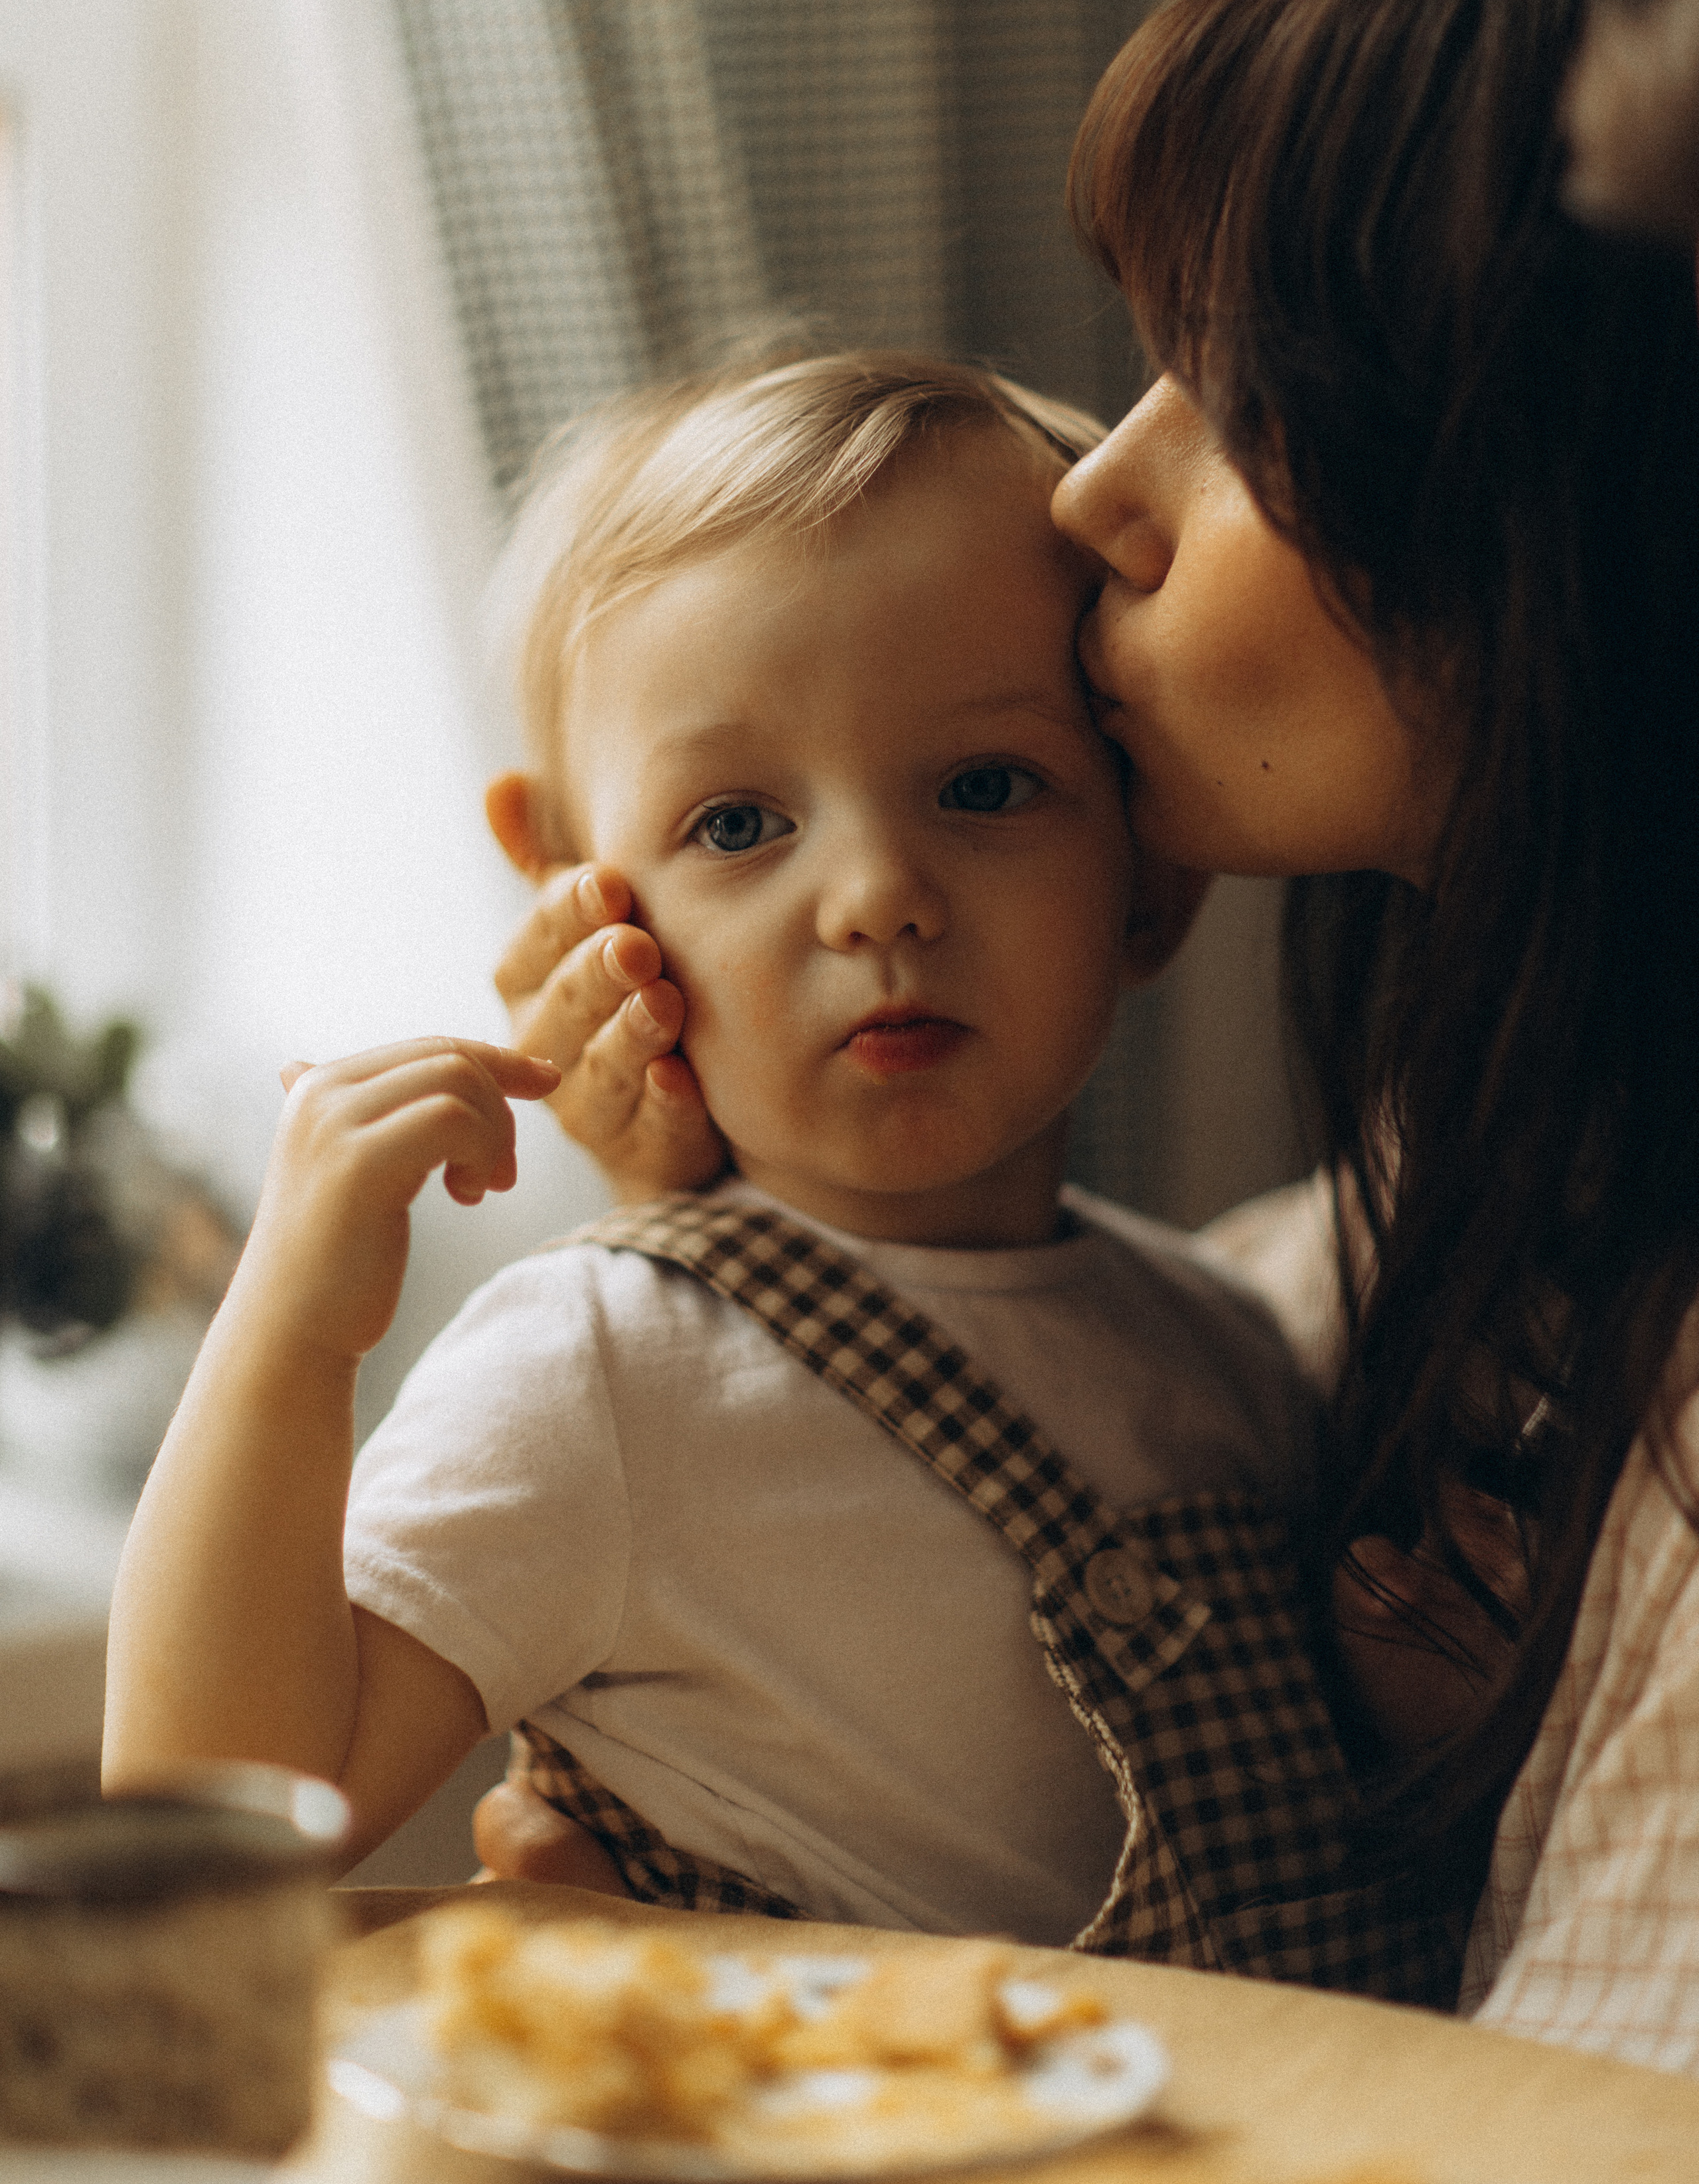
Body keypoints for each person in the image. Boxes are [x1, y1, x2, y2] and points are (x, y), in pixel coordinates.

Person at [491, 0, 1699, 2073]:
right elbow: (1120, 1369)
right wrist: (742, 1239)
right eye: (738, 827)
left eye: (1224, 394)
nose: (1098, 492)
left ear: (1531, 498)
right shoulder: (1525, 1137)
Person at [110, 351, 1449, 1991]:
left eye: (982, 787)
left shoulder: (1235, 1344)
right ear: (584, 897)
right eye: (738, 825)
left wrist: (1418, 1718)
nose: (876, 895)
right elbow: (214, 1830)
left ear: (1150, 887)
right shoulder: (599, 1370)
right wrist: (288, 1335)